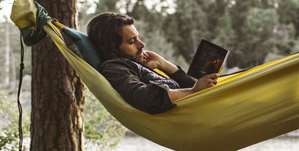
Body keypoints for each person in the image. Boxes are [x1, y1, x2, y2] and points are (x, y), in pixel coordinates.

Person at [87, 12, 218, 114]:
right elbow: (144, 97)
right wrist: (192, 91)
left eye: (138, 38)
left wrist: (163, 64)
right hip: (189, 118)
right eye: (132, 42)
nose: (142, 44)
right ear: (112, 48)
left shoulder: (134, 64)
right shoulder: (113, 69)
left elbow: (195, 88)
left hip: (200, 110)